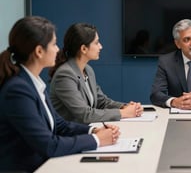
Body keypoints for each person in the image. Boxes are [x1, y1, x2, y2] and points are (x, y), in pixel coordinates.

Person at [0, 16, 120, 172]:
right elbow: (49, 145)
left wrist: (93, 130)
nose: (58, 49)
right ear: (39, 51)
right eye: (54, 44)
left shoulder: (32, 83)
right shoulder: (17, 90)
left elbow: (60, 125)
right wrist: (96, 140)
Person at [49, 23, 143, 124]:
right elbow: (85, 114)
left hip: (87, 131)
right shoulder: (64, 75)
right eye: (97, 43)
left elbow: (101, 102)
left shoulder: (88, 70)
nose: (101, 46)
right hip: (69, 136)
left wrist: (126, 107)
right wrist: (123, 113)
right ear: (84, 49)